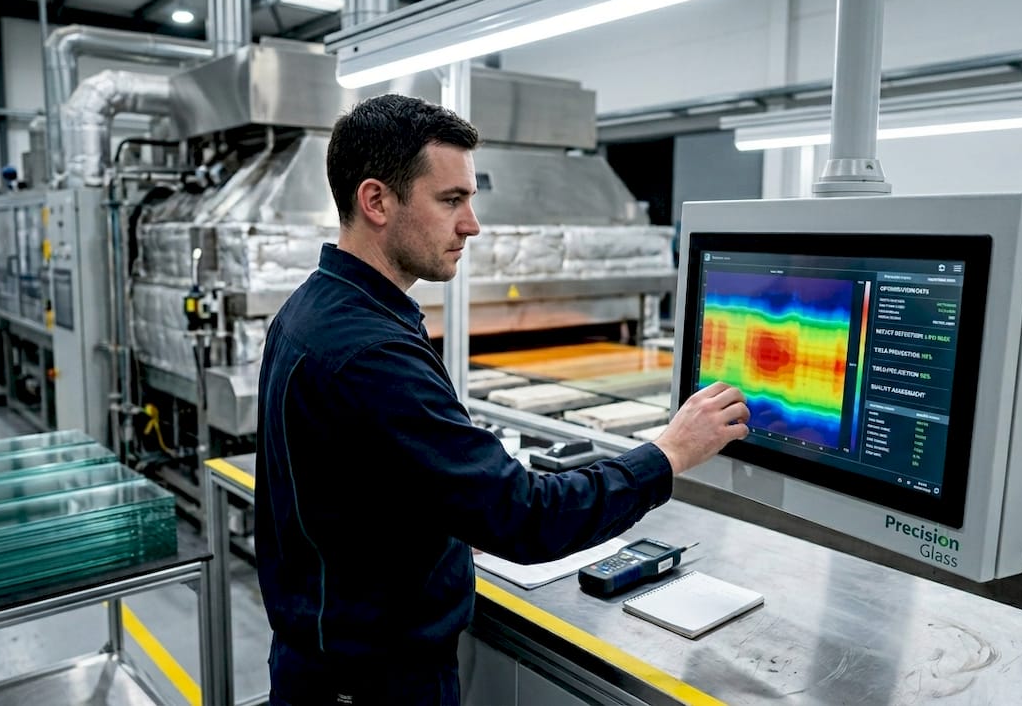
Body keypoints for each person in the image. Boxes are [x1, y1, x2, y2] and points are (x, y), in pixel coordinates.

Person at [255, 93, 750, 706]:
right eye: (451, 200)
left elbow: (361, 490)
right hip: (375, 684)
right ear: (376, 201)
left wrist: (452, 509)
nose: (472, 224)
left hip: (324, 664)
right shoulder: (369, 350)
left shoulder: (313, 309)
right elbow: (525, 517)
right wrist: (668, 452)